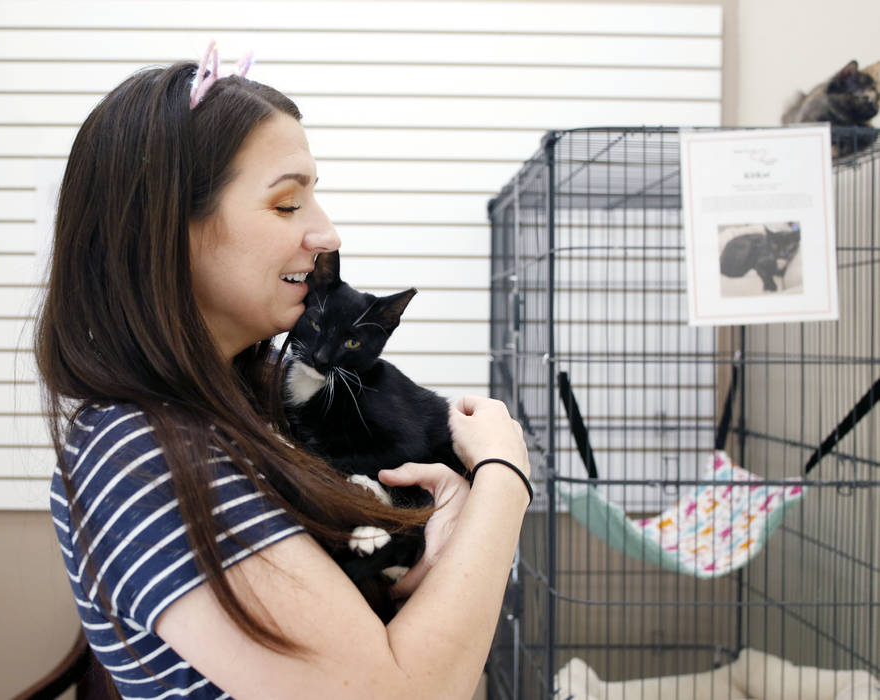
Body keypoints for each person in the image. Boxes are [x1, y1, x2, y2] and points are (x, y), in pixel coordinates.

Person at [35, 46, 531, 700]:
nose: (326, 233)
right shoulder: (143, 455)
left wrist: (440, 524)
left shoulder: (254, 406)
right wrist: (504, 475)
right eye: (287, 203)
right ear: (166, 230)